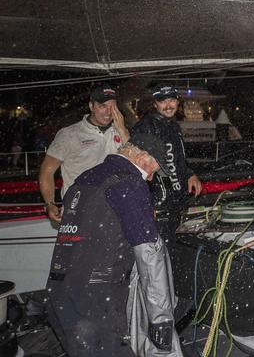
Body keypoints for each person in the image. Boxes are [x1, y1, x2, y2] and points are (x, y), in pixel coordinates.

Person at [45, 132, 182, 356]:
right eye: (154, 169)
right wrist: (161, 320)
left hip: (60, 293)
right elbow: (149, 255)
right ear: (141, 156)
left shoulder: (84, 178)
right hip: (97, 304)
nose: (150, 178)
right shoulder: (129, 182)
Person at [39, 84, 129, 223]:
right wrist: (50, 204)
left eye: (113, 107)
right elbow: (47, 171)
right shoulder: (69, 134)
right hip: (78, 210)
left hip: (114, 211)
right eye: (103, 106)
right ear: (91, 106)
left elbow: (135, 164)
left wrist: (122, 130)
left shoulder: (122, 132)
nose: (108, 112)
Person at [131, 84, 202, 249]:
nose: (168, 105)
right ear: (155, 104)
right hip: (159, 207)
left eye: (171, 100)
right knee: (160, 256)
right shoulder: (146, 126)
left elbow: (177, 159)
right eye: (163, 101)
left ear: (178, 102)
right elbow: (135, 168)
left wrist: (190, 174)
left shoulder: (173, 126)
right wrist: (146, 203)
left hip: (176, 203)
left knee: (175, 253)